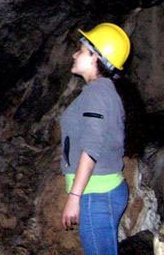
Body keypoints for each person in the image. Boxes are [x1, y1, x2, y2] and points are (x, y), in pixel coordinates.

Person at [60, 22, 131, 255]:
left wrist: (75, 196)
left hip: (96, 194)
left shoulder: (97, 93)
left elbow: (91, 147)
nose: (74, 54)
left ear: (95, 57)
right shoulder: (103, 91)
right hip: (101, 192)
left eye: (80, 50)